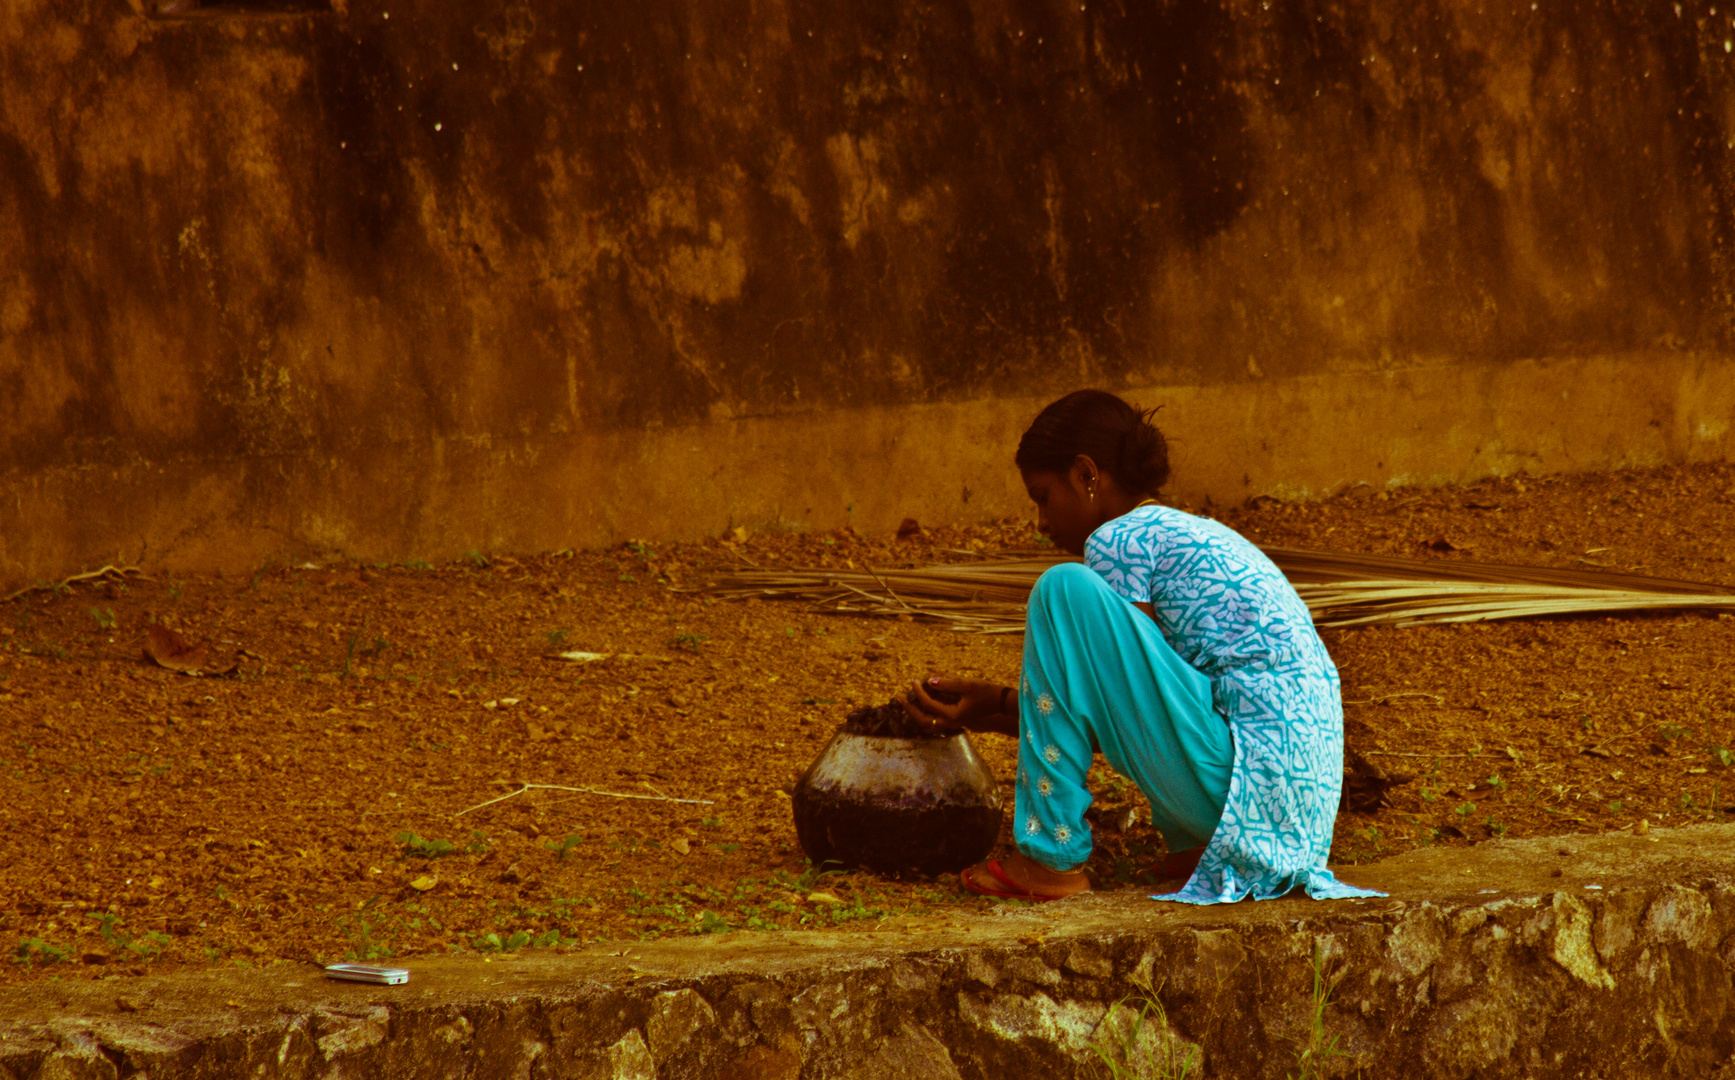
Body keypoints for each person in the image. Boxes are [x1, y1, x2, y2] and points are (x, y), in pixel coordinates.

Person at [903, 389, 1379, 904]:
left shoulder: (1118, 539)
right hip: (1290, 818)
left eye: (1042, 496)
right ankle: (1201, 849)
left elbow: (1121, 701)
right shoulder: (1194, 533)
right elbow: (1131, 706)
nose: (1041, 523)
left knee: (1062, 589)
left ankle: (1048, 857)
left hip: (1236, 791)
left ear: (1086, 475)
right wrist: (995, 707)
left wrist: (998, 708)